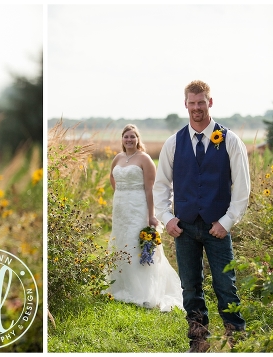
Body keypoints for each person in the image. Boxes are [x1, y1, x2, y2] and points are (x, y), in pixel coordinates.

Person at [154, 80, 250, 352]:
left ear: (210, 102)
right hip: (183, 229)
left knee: (226, 287)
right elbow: (160, 186)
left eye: (201, 102)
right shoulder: (174, 143)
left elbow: (242, 190)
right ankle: (199, 342)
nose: (197, 108)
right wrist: (167, 218)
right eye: (192, 103)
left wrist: (227, 222)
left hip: (217, 228)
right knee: (190, 288)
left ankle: (237, 341)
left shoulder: (230, 140)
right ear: (186, 104)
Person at [106, 124, 183, 312]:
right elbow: (112, 178)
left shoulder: (145, 159)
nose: (129, 140)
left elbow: (150, 189)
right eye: (126, 137)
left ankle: (142, 290)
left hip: (138, 207)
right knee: (121, 241)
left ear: (138, 139)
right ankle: (120, 285)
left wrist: (151, 215)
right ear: (122, 139)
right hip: (121, 208)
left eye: (133, 137)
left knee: (135, 243)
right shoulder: (118, 158)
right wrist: (121, 194)